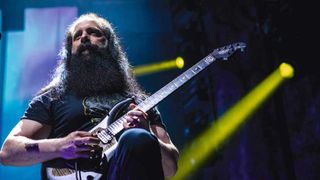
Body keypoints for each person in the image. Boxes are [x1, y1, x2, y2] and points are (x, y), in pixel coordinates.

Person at [0, 13, 179, 180]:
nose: (84, 37)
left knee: (136, 137)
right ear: (69, 52)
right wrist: (61, 146)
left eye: (93, 32)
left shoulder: (140, 104)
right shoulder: (51, 99)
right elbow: (8, 152)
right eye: (77, 36)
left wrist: (147, 134)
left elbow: (170, 169)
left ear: (110, 44)